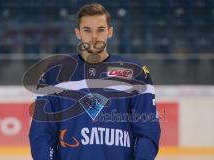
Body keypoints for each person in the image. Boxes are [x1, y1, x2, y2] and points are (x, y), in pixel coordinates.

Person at [29, 3, 160, 160]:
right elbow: (42, 132)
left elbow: (147, 129)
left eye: (100, 29)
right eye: (87, 30)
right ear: (78, 33)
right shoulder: (55, 73)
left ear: (110, 32)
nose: (94, 37)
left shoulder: (136, 72)